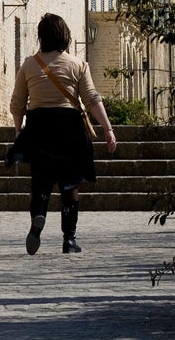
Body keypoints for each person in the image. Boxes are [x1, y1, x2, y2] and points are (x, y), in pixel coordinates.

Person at [10, 14, 118, 255]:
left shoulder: (29, 64)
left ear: (41, 37)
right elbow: (91, 99)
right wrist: (107, 129)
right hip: (69, 129)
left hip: (39, 128)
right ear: (65, 36)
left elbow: (17, 103)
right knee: (70, 183)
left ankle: (38, 217)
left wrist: (19, 129)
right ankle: (69, 239)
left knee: (40, 181)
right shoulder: (77, 64)